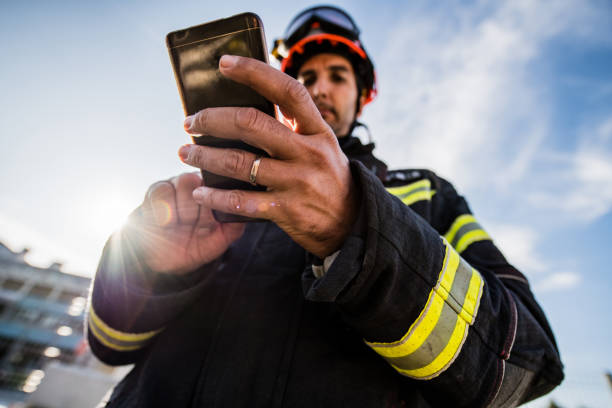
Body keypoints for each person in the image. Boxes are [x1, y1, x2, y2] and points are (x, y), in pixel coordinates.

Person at [87, 6, 563, 407]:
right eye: (305, 76)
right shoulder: (214, 195)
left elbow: (526, 361)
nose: (319, 89)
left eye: (338, 76)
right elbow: (108, 343)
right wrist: (154, 269)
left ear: (364, 95)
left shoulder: (426, 192)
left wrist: (356, 229)